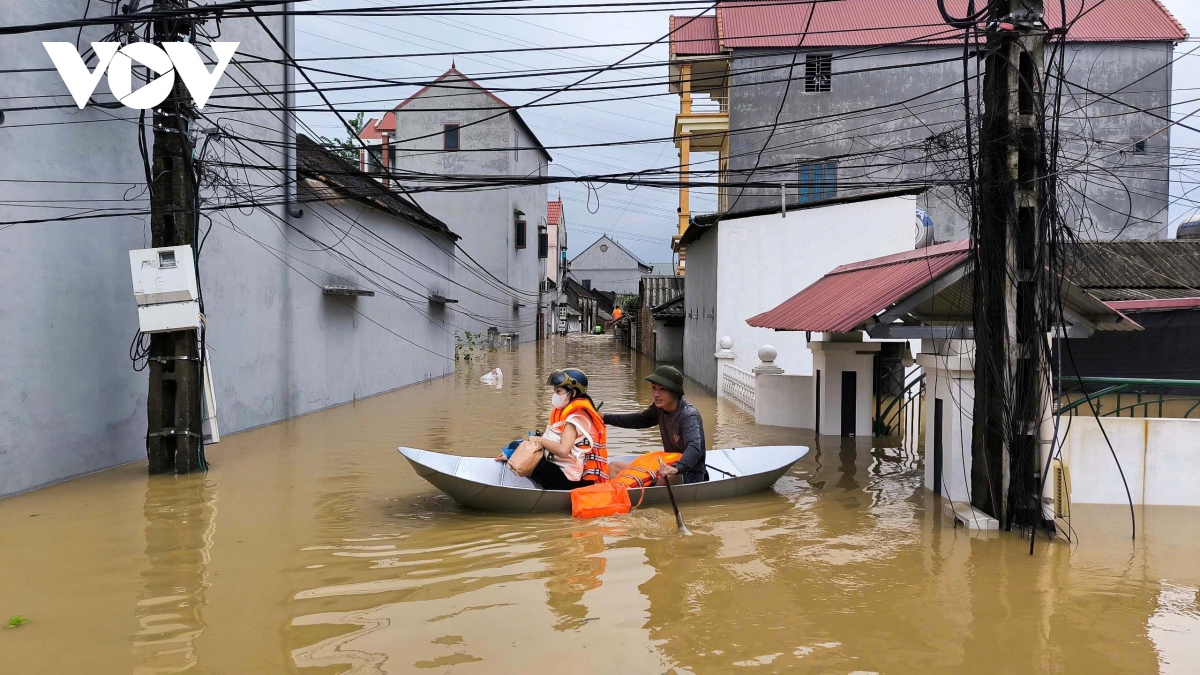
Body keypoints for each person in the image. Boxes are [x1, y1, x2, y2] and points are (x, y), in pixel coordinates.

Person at [496, 368, 609, 490]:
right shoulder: (575, 413)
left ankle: (513, 456)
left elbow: (563, 450)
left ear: (573, 393)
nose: (555, 395)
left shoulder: (575, 419)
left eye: (558, 391)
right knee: (518, 446)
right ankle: (513, 454)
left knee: (525, 454)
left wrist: (537, 442)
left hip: (577, 483)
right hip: (574, 474)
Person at [603, 365, 707, 484]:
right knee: (613, 467)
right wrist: (604, 418)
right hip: (665, 466)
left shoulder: (688, 415)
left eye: (662, 389)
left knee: (665, 477)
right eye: (654, 388)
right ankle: (620, 495)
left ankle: (643, 495)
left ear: (675, 391)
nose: (656, 394)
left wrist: (676, 468)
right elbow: (640, 420)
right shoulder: (660, 408)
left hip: (686, 474)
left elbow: (694, 447)